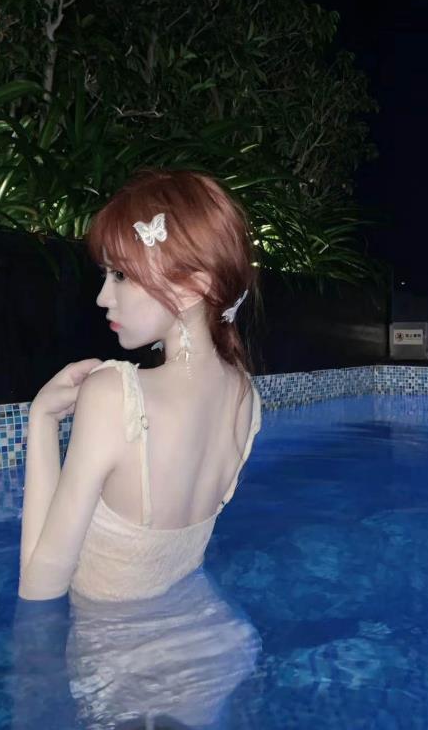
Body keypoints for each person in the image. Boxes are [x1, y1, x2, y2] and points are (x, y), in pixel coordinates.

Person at [18, 168, 263, 603]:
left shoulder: (114, 394)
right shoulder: (246, 396)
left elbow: (40, 588)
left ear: (192, 287)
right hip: (208, 630)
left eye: (120, 275)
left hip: (116, 645)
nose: (103, 297)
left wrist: (42, 419)